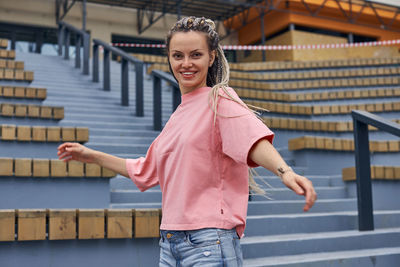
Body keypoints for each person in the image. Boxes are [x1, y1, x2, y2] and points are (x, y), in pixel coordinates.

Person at [58, 16, 317, 267]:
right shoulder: (175, 119)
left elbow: (252, 140)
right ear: (169, 59)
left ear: (211, 57)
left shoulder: (220, 98)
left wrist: (285, 172)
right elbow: (144, 171)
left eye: (196, 54)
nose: (186, 64)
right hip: (169, 243)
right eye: (177, 56)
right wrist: (90, 156)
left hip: (209, 242)